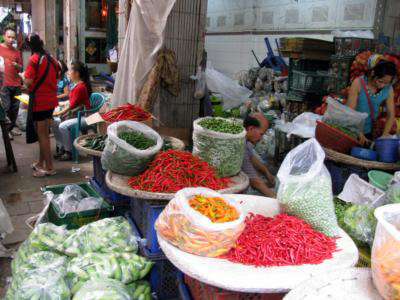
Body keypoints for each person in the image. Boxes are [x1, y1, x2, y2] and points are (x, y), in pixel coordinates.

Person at [20, 33, 59, 177]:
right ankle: (40, 163)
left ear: (30, 46)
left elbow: (29, 81)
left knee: (43, 136)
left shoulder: (34, 59)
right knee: (44, 134)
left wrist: (24, 81)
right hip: (51, 101)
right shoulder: (52, 59)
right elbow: (58, 75)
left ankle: (49, 168)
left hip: (39, 102)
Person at [347, 61, 397, 143]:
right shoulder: (358, 83)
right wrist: (358, 133)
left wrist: (384, 136)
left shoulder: (388, 89)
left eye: (386, 83)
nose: (382, 86)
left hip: (368, 131)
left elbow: (391, 115)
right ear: (373, 73)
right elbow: (349, 112)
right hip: (351, 129)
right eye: (380, 81)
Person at [52, 60, 92, 161]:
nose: (68, 72)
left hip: (85, 117)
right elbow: (70, 102)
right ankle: (62, 147)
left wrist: (59, 112)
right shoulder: (76, 85)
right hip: (76, 114)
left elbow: (71, 105)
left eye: (70, 70)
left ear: (77, 73)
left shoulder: (80, 87)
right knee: (55, 121)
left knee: (62, 125)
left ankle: (68, 151)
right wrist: (58, 105)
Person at [242, 112, 276, 198]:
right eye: (261, 134)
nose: (261, 138)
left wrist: (267, 173)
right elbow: (255, 181)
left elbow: (252, 158)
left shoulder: (247, 140)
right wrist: (276, 199)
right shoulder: (240, 144)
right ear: (251, 129)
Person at [0, 26, 23, 140]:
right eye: (8, 37)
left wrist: (16, 66)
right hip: (4, 84)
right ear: (4, 36)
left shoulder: (16, 52)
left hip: (16, 84)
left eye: (13, 38)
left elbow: (20, 69)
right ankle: (6, 131)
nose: (11, 39)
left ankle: (10, 129)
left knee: (15, 109)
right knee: (6, 108)